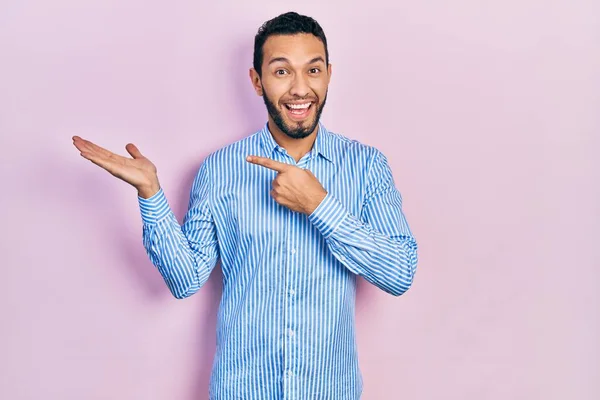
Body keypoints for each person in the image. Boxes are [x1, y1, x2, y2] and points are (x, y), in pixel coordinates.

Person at [72, 11, 418, 400]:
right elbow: (186, 280)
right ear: (257, 81)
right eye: (282, 71)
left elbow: (399, 272)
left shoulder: (366, 166)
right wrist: (150, 193)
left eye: (313, 70)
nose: (300, 89)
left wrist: (319, 205)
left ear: (329, 75)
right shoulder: (221, 168)